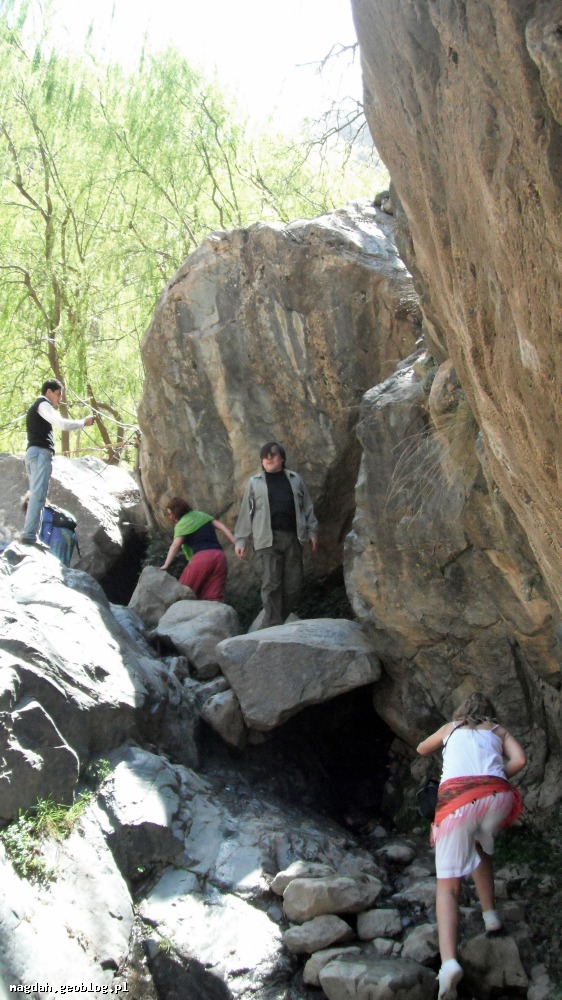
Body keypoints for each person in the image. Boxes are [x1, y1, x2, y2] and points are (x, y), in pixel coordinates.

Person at [417, 692, 526, 999]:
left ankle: (449, 964)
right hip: (497, 798)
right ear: (490, 712)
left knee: (448, 887)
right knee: (480, 845)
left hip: (458, 802)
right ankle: (491, 918)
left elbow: (421, 748)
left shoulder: (451, 728)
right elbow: (520, 760)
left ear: (461, 712)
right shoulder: (498, 730)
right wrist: (493, 776)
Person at [234, 442, 318, 628]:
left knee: (294, 584)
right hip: (267, 539)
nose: (268, 458)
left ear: (282, 458)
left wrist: (312, 531)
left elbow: (307, 507)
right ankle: (272, 624)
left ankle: (275, 620)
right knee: (271, 583)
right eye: (264, 456)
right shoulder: (254, 482)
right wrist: (241, 540)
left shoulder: (295, 479)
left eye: (272, 455)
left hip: (294, 537)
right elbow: (246, 512)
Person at [22, 379, 95, 548]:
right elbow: (61, 424)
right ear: (48, 392)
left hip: (35, 454)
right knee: (38, 496)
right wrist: (83, 423)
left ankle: (31, 535)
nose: (60, 398)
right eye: (58, 394)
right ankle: (29, 536)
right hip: (40, 454)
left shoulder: (39, 406)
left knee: (37, 496)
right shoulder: (43, 405)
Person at [161, 496, 235, 602]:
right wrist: (235, 542)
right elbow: (222, 527)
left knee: (182, 592)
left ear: (175, 512)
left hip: (202, 559)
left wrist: (166, 565)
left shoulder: (182, 524)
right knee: (214, 598)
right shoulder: (202, 515)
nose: (170, 516)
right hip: (220, 557)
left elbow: (175, 546)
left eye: (170, 513)